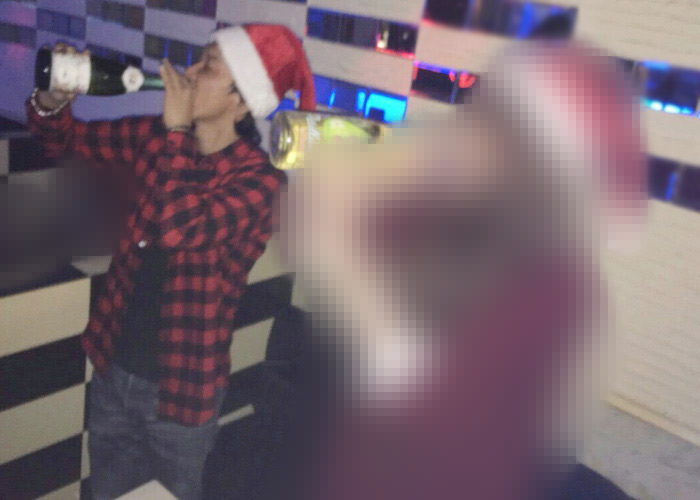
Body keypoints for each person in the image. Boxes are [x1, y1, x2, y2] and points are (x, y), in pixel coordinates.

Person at [26, 23, 315, 500]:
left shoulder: (261, 183)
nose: (189, 72)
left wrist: (178, 130)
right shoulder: (155, 138)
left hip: (182, 396)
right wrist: (53, 101)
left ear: (241, 101)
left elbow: (181, 228)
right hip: (114, 371)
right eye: (197, 60)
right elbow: (65, 140)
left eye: (208, 67)